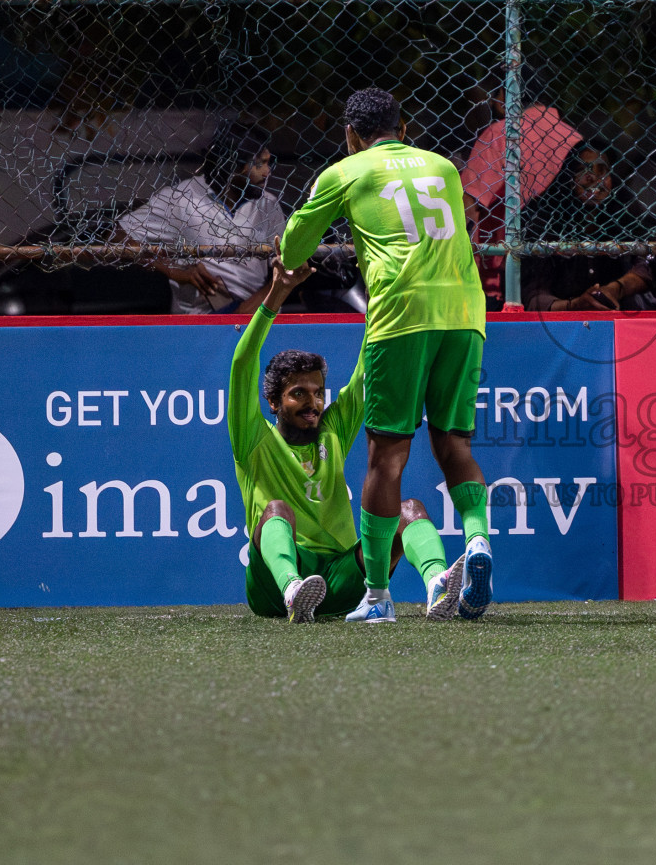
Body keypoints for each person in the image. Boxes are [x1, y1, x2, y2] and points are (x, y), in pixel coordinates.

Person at [279, 88, 493, 623]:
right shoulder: (443, 166)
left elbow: (293, 246)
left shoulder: (346, 170)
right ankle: (480, 541)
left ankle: (376, 597)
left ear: (350, 134)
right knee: (454, 442)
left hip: (401, 317)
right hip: (466, 311)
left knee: (386, 456)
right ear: (405, 128)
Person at [230, 259, 465, 623]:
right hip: (271, 591)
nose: (313, 403)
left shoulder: (333, 429)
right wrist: (277, 293)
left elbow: (366, 370)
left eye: (318, 392)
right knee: (276, 510)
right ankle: (294, 590)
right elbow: (243, 363)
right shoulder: (253, 439)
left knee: (410, 510)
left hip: (340, 580)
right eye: (298, 394)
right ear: (273, 402)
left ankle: (438, 584)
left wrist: (378, 306)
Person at [117, 122, 287, 314]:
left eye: (268, 163)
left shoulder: (268, 205)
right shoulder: (182, 197)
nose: (267, 172)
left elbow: (287, 268)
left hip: (255, 313)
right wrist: (173, 270)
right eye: (259, 164)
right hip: (196, 319)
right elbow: (118, 236)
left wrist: (246, 311)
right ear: (232, 164)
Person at [462, 64, 585, 308]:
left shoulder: (501, 134)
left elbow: (471, 207)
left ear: (503, 96)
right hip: (566, 261)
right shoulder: (573, 137)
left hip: (502, 276)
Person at [521, 143, 656, 312]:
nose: (593, 177)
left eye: (601, 170)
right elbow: (533, 295)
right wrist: (576, 305)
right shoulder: (544, 220)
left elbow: (648, 266)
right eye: (583, 169)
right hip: (562, 320)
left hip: (619, 313)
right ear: (569, 179)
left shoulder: (625, 213)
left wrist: (615, 289)